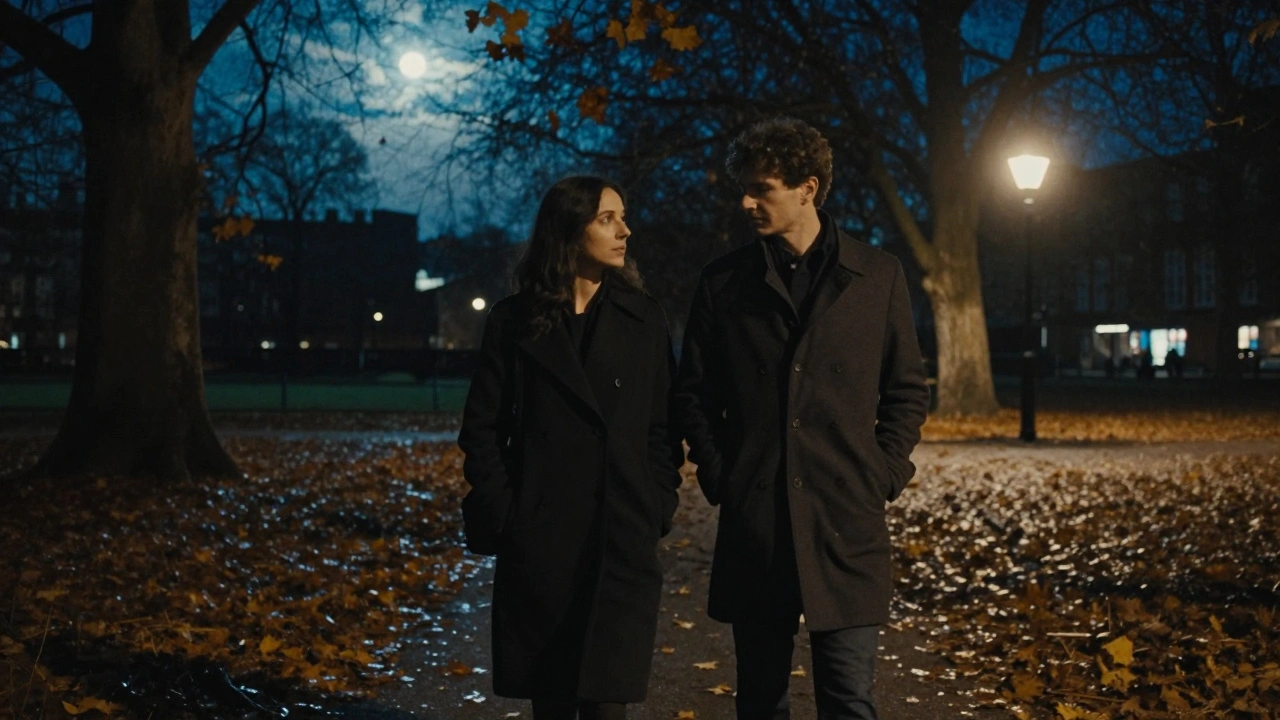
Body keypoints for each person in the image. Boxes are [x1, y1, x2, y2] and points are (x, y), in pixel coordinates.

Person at [674, 117, 930, 720]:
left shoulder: (878, 275)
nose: (746, 201)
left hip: (846, 518)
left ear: (808, 189)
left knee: (848, 699)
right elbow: (693, 394)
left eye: (761, 188)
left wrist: (884, 472)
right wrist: (722, 476)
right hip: (758, 520)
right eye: (744, 187)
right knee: (761, 700)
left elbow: (906, 389)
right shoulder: (723, 283)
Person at [457, 175, 685, 720]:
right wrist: (509, 511)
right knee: (553, 701)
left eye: (623, 217)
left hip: (621, 534)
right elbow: (482, 428)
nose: (625, 230)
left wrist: (656, 505)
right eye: (607, 218)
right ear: (568, 228)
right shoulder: (514, 321)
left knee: (608, 702)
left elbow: (663, 426)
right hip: (542, 540)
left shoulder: (643, 318)